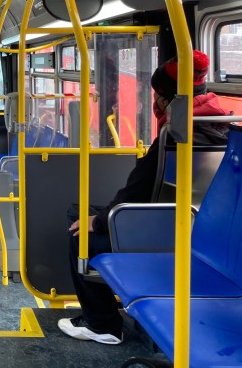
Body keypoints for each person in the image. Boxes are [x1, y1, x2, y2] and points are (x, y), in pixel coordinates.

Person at [58, 50, 229, 345]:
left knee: (80, 237)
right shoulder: (223, 128)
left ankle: (103, 324)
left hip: (161, 230)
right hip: (204, 230)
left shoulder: (172, 139)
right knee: (87, 214)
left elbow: (137, 191)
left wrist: (98, 222)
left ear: (166, 99)